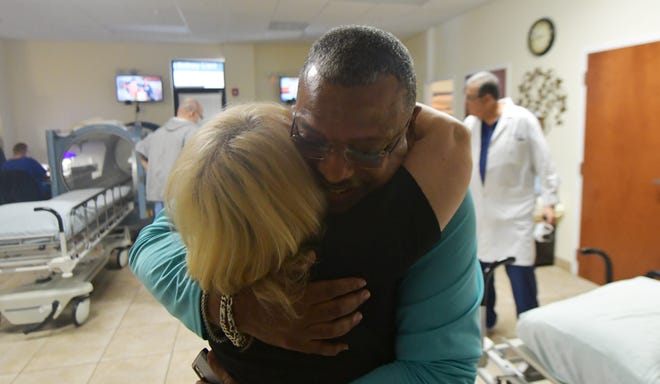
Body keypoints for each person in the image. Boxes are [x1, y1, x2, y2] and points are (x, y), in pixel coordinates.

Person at [130, 25, 483, 383]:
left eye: (367, 149)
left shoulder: (437, 198)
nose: (334, 171)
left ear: (407, 132)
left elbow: (440, 371)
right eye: (313, 138)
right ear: (293, 116)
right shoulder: (275, 160)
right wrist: (231, 309)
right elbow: (153, 240)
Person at [464, 71, 559, 331]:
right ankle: (488, 321)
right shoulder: (471, 124)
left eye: (470, 98)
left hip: (515, 216)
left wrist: (550, 202)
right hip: (482, 216)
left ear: (487, 98)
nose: (467, 103)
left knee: (521, 278)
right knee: (483, 277)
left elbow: (544, 162)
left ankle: (531, 330)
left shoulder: (522, 121)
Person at [135, 97, 203, 214]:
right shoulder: (192, 131)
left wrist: (149, 169)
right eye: (200, 116)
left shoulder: (158, 132)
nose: (199, 120)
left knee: (162, 229)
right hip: (181, 195)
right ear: (192, 113)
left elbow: (138, 150)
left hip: (159, 195)